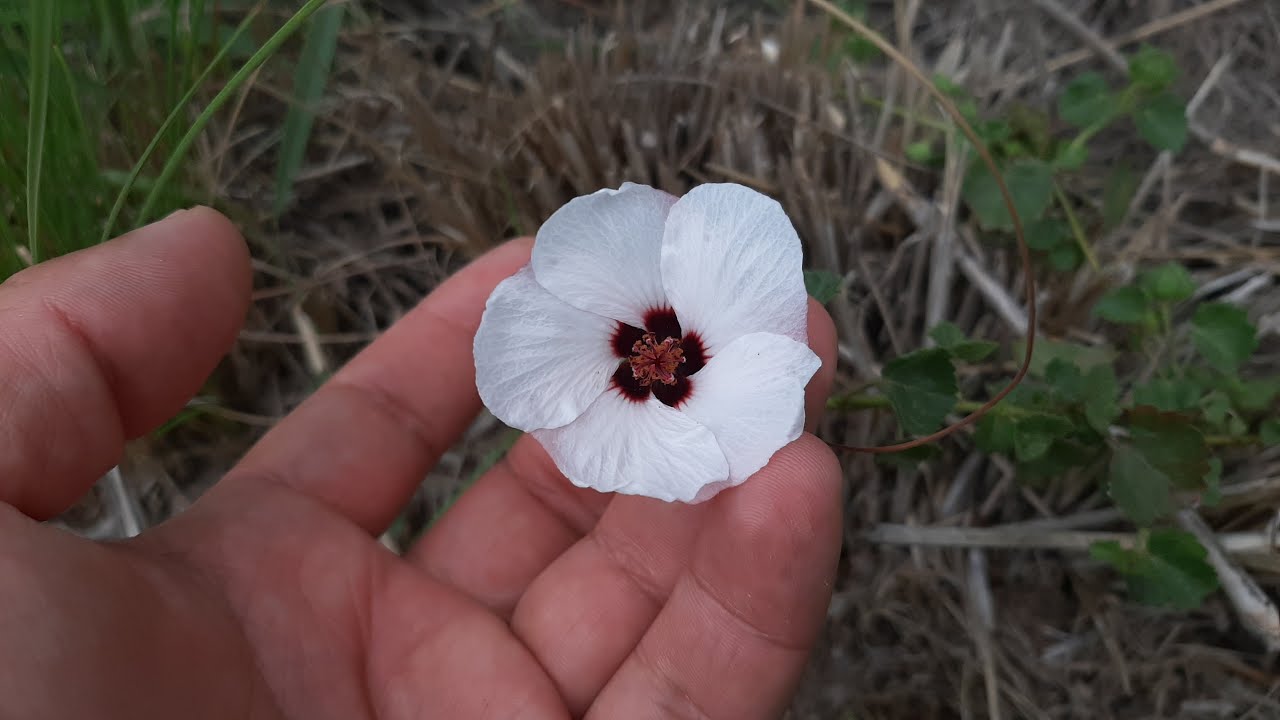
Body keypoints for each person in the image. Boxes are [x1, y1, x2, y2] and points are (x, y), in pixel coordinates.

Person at [0, 207, 843, 719]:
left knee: (780, 496)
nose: (658, 358)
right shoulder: (611, 368)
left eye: (663, 355)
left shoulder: (696, 370)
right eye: (650, 352)